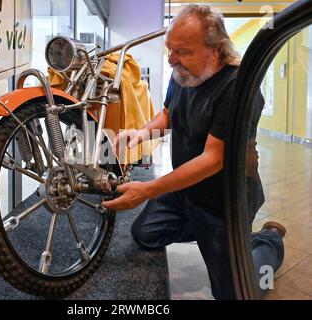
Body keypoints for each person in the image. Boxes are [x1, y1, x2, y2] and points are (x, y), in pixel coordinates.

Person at [102, 4, 285, 300]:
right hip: (186, 193)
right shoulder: (183, 73)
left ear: (215, 50)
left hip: (224, 203)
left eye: (183, 51)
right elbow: (168, 112)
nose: (172, 59)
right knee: (145, 234)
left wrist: (147, 190)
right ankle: (208, 235)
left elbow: (213, 159)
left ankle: (268, 240)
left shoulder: (238, 88)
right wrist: (141, 132)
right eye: (170, 49)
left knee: (236, 293)